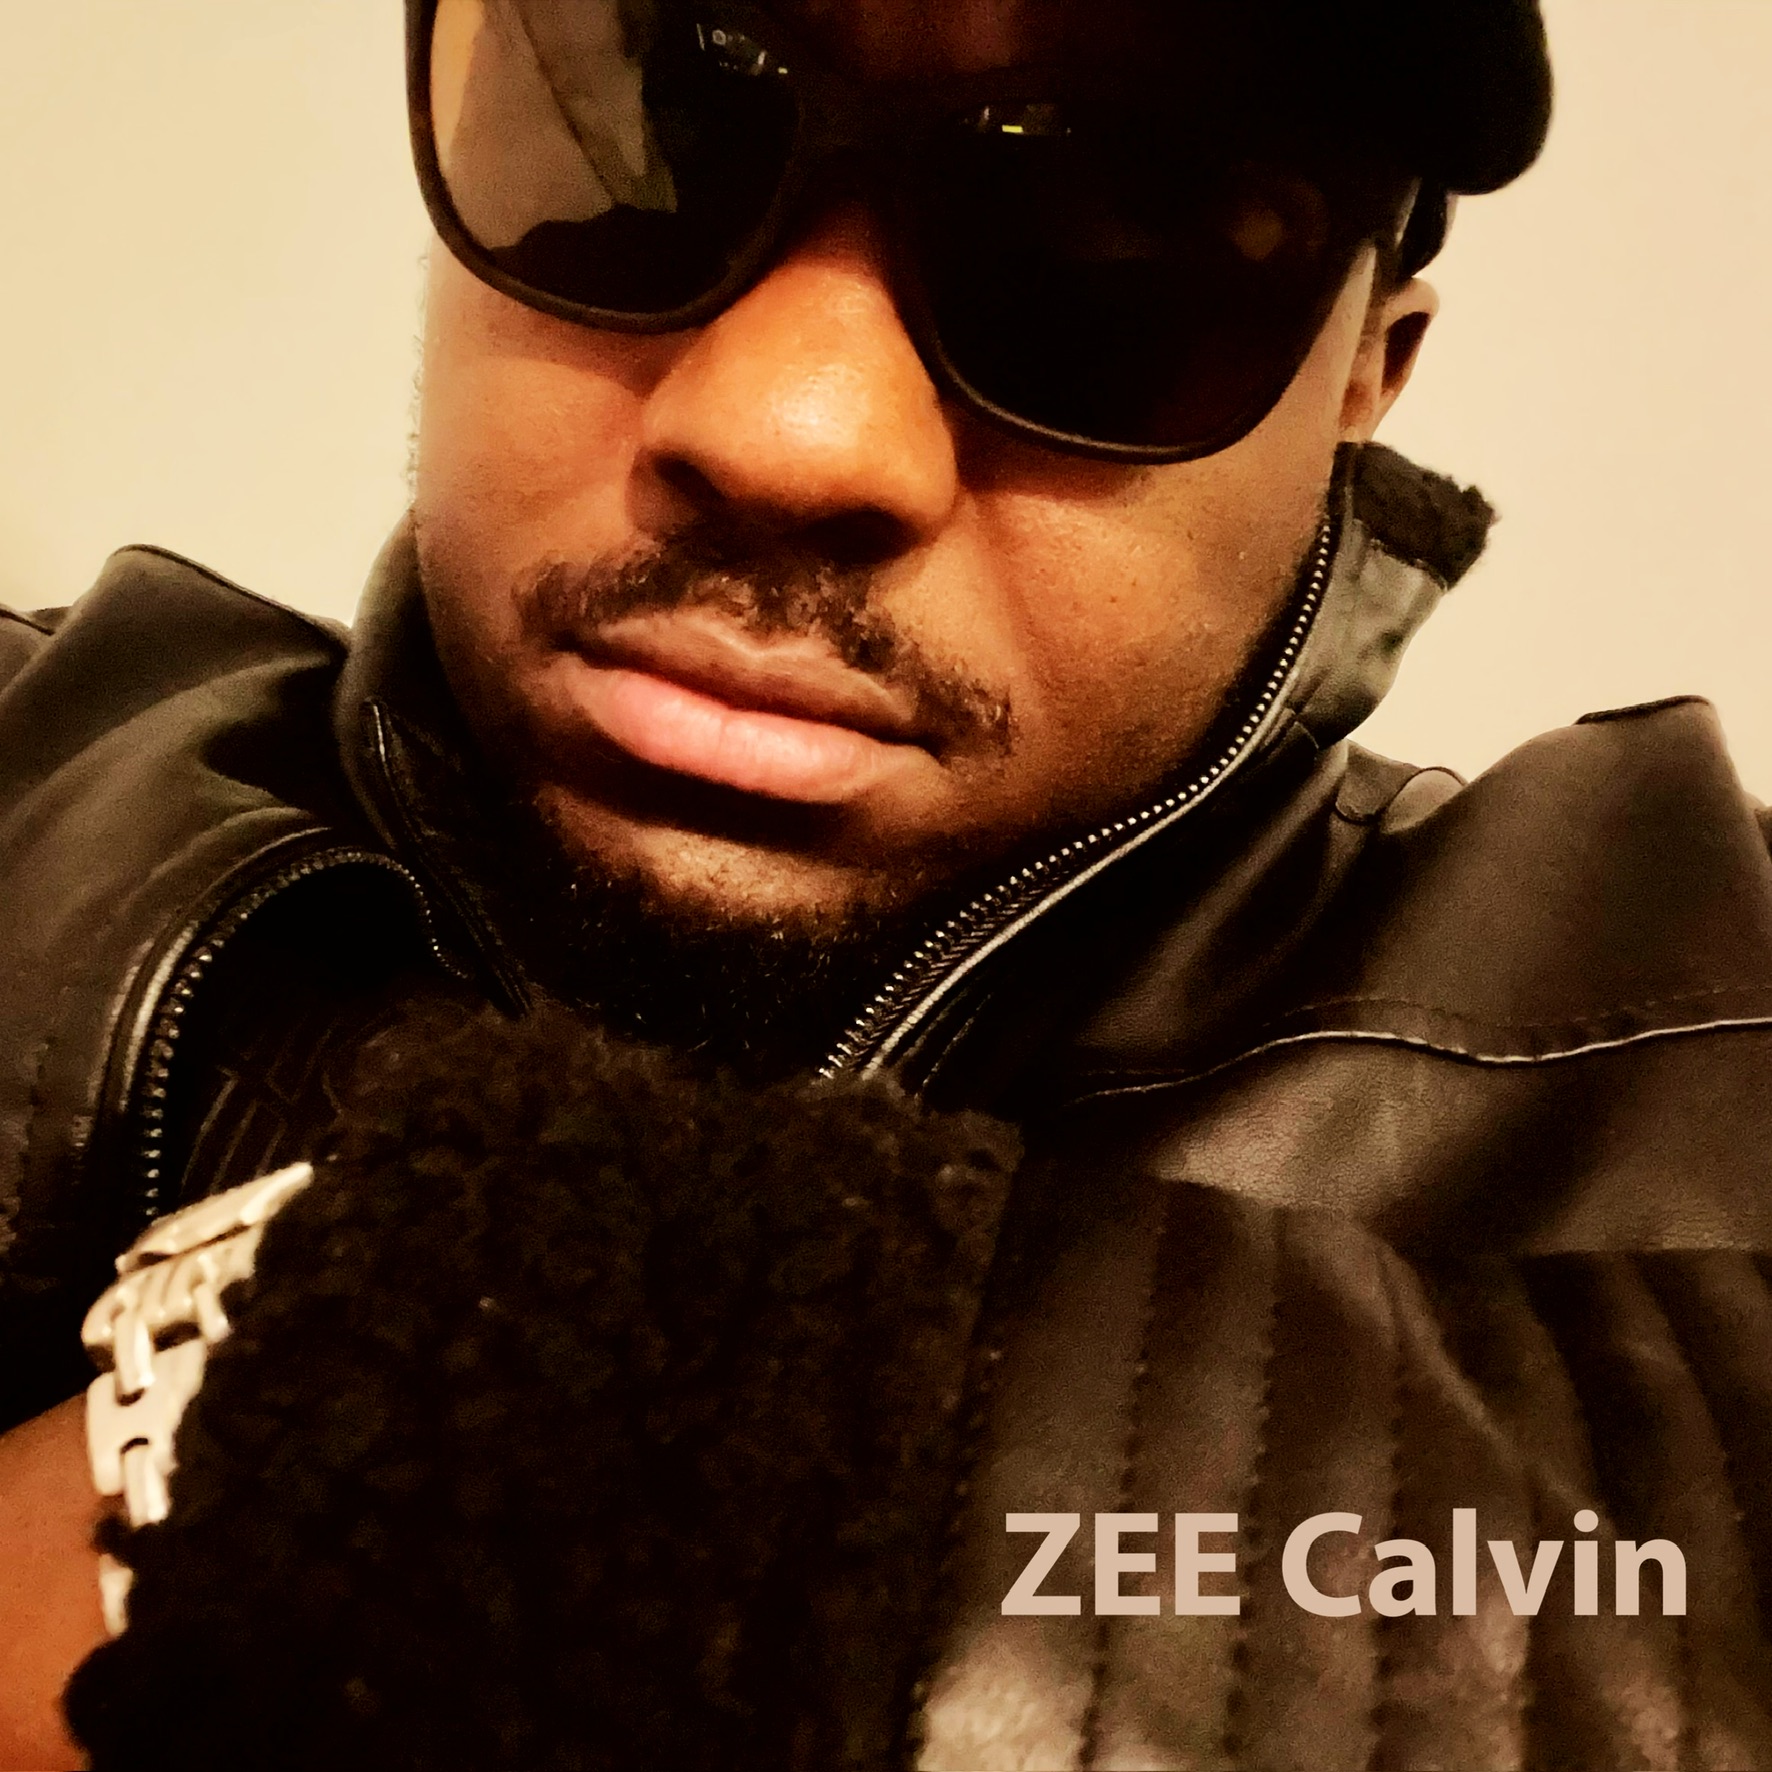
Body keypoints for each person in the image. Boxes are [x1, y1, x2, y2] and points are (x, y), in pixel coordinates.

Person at [5, 0, 1772, 1765]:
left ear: (1366, 382)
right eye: (656, 121)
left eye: (1116, 241)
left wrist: (375, 1432)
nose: (791, 431)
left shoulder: (1696, 1030)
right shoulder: (40, 754)